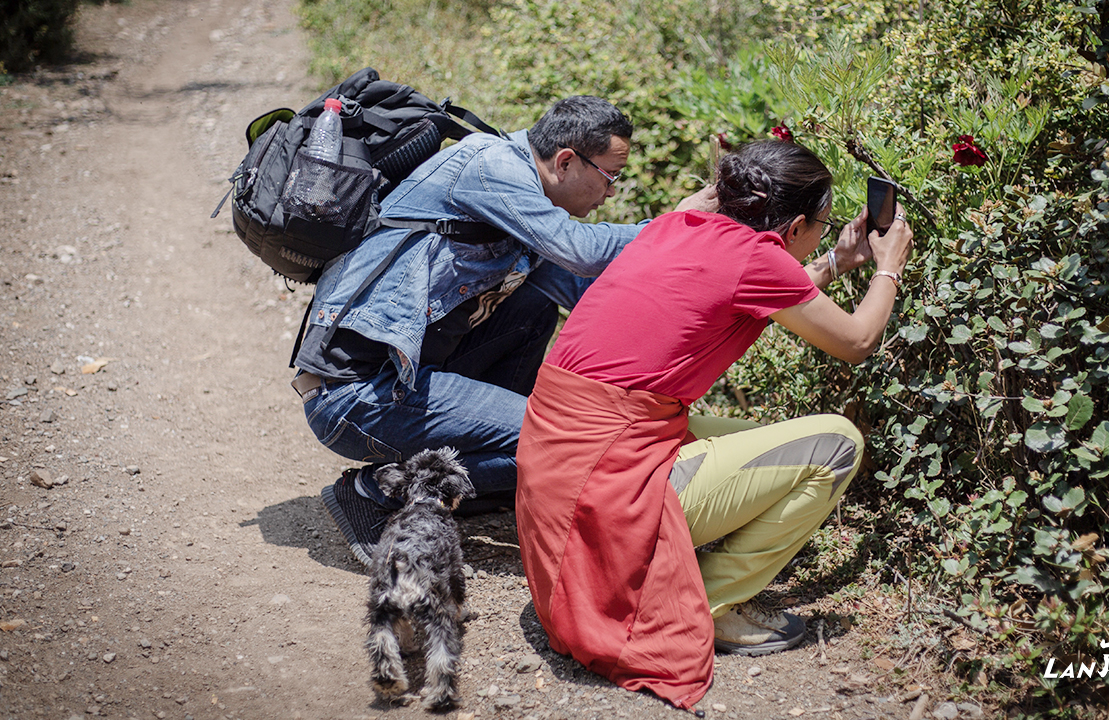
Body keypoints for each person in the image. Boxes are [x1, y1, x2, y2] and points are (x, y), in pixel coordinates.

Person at [514, 139, 914, 708]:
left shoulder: (678, 222)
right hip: (604, 488)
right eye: (823, 224)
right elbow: (856, 340)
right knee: (836, 445)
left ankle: (685, 572)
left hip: (560, 461)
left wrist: (837, 260)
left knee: (750, 437)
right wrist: (888, 269)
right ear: (796, 223)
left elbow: (760, 285)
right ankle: (709, 603)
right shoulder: (758, 259)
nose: (825, 233)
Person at [295, 95, 710, 567]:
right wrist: (677, 226)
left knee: (533, 307)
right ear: (567, 161)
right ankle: (377, 490)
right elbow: (581, 251)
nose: (611, 192)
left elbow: (592, 295)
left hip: (407, 375)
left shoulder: (522, 206)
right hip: (357, 392)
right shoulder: (492, 166)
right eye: (610, 176)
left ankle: (481, 474)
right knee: (553, 442)